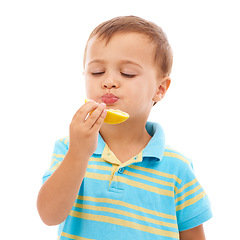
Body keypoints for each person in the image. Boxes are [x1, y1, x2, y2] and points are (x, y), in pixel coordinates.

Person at [37, 15, 212, 240]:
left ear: (160, 88)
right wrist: (78, 154)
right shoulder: (69, 149)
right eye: (97, 72)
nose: (108, 81)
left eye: (127, 73)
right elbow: (49, 216)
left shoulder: (177, 167)